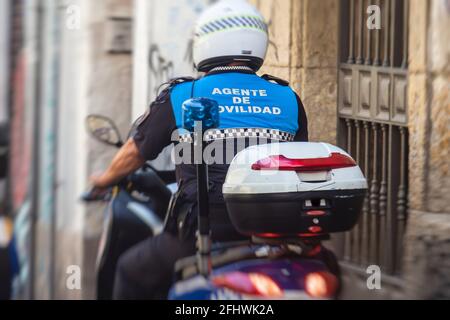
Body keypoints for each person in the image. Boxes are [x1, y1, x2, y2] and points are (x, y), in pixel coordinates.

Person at [90, 0, 308, 299]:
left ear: (205, 41)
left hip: (205, 234)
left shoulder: (184, 95)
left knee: (130, 269)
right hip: (275, 237)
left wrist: (103, 180)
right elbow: (300, 157)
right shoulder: (288, 98)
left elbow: (135, 152)